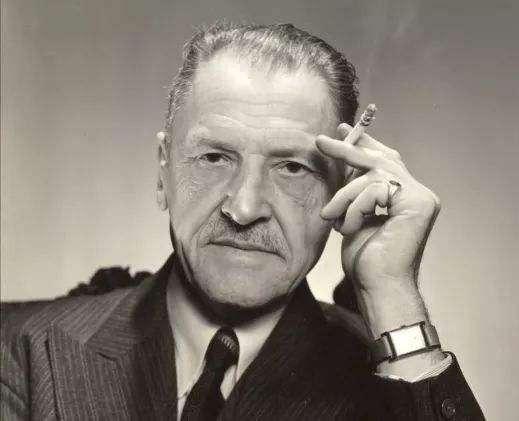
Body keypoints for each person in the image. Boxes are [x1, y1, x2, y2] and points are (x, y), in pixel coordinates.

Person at [0, 22, 484, 420]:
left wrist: (390, 292)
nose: (244, 208)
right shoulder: (22, 350)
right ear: (163, 171)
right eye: (214, 158)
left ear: (344, 186)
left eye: (292, 167)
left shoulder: (388, 376)